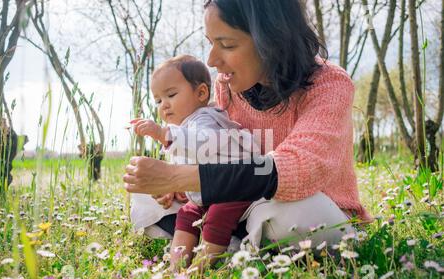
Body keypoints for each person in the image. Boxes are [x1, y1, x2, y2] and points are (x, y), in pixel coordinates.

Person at [124, 0, 373, 260]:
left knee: (295, 211)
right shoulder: (227, 86)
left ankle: (228, 241)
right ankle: (233, 242)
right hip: (240, 204)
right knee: (145, 192)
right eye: (211, 43)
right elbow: (219, 153)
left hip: (314, 208)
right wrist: (174, 185)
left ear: (272, 38)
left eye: (227, 45)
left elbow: (297, 169)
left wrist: (180, 177)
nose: (211, 60)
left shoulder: (330, 85)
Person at [130, 55, 260, 269]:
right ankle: (176, 267)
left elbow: (203, 144)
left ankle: (200, 267)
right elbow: (185, 163)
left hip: (236, 186)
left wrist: (163, 133)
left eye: (171, 94)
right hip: (208, 192)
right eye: (158, 101)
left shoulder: (206, 118)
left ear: (201, 93)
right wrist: (177, 186)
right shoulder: (184, 126)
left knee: (217, 216)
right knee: (186, 214)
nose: (164, 105)